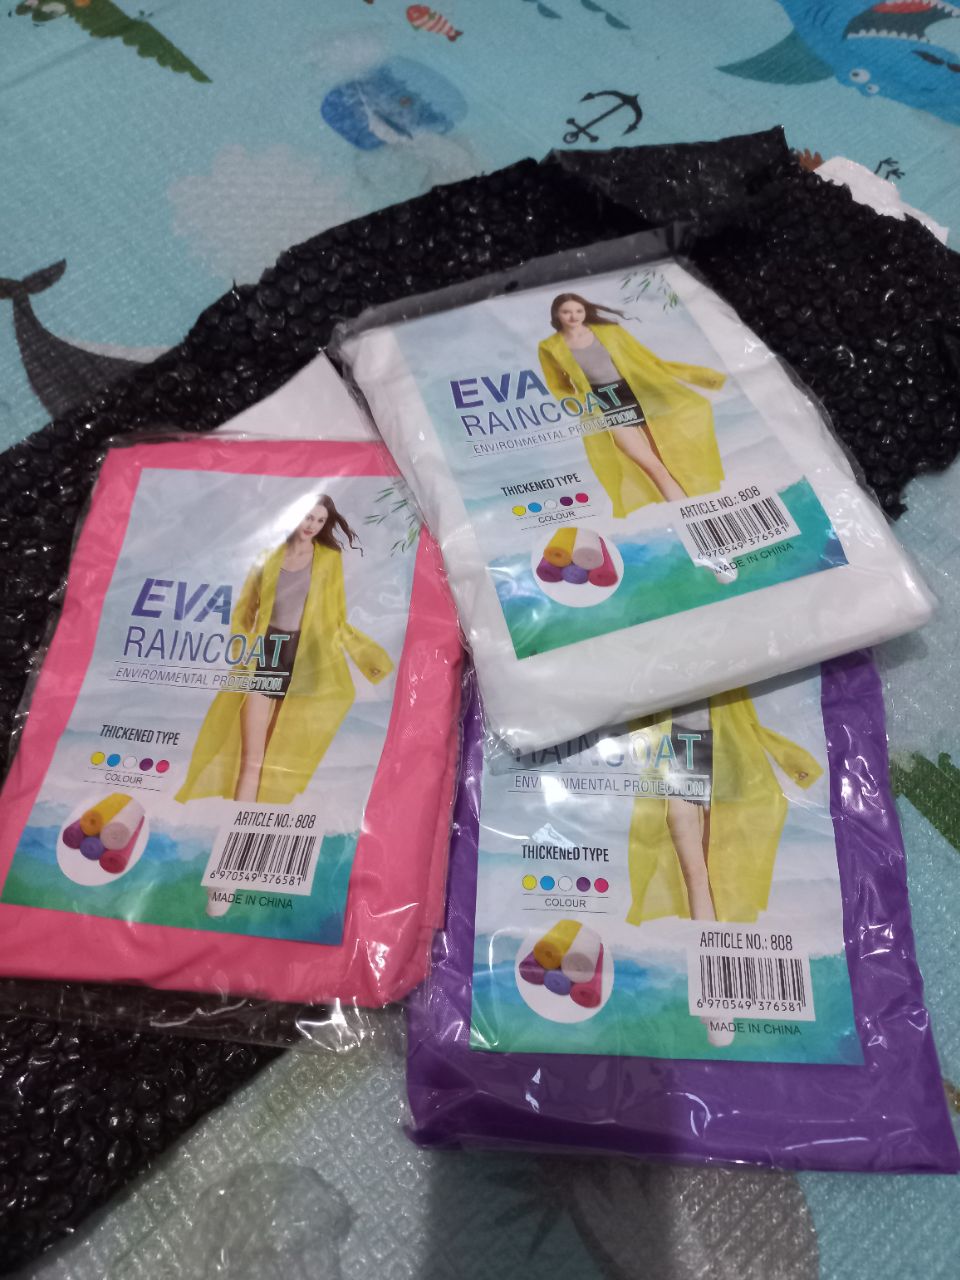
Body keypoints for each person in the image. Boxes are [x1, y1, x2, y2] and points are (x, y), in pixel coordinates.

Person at [176, 495, 393, 809]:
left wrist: (369, 659)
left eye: (320, 521)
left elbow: (336, 617)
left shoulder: (329, 559)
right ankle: (235, 823)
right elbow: (244, 610)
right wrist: (240, 649)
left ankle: (258, 825)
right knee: (252, 755)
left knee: (275, 756)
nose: (312, 525)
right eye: (309, 517)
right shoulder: (269, 555)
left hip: (304, 660)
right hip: (266, 652)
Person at [626, 690, 821, 927]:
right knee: (693, 871)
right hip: (675, 752)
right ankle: (705, 939)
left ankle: (720, 939)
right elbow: (639, 715)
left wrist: (790, 762)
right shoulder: (655, 673)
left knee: (720, 871)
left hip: (722, 754)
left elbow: (748, 722)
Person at [537, 293, 727, 518]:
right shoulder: (550, 346)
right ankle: (688, 515)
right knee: (651, 466)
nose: (573, 316)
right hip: (603, 402)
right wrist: (581, 404)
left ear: (585, 311)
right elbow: (557, 386)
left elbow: (648, 360)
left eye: (578, 310)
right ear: (557, 314)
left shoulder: (610, 331)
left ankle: (700, 512)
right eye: (566, 312)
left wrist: (702, 378)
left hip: (638, 394)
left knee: (668, 459)